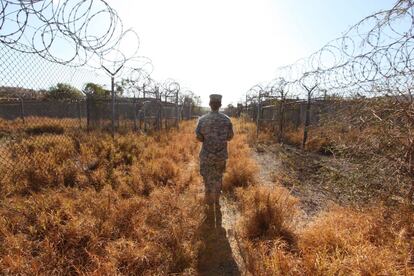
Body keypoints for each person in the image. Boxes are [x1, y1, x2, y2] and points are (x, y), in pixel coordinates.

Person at [195, 94, 234, 221]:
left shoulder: (202, 120)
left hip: (206, 155)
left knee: (207, 179)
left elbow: (199, 138)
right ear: (220, 105)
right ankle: (216, 202)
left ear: (210, 104)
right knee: (218, 178)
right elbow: (229, 137)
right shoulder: (227, 120)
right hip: (220, 156)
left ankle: (208, 204)